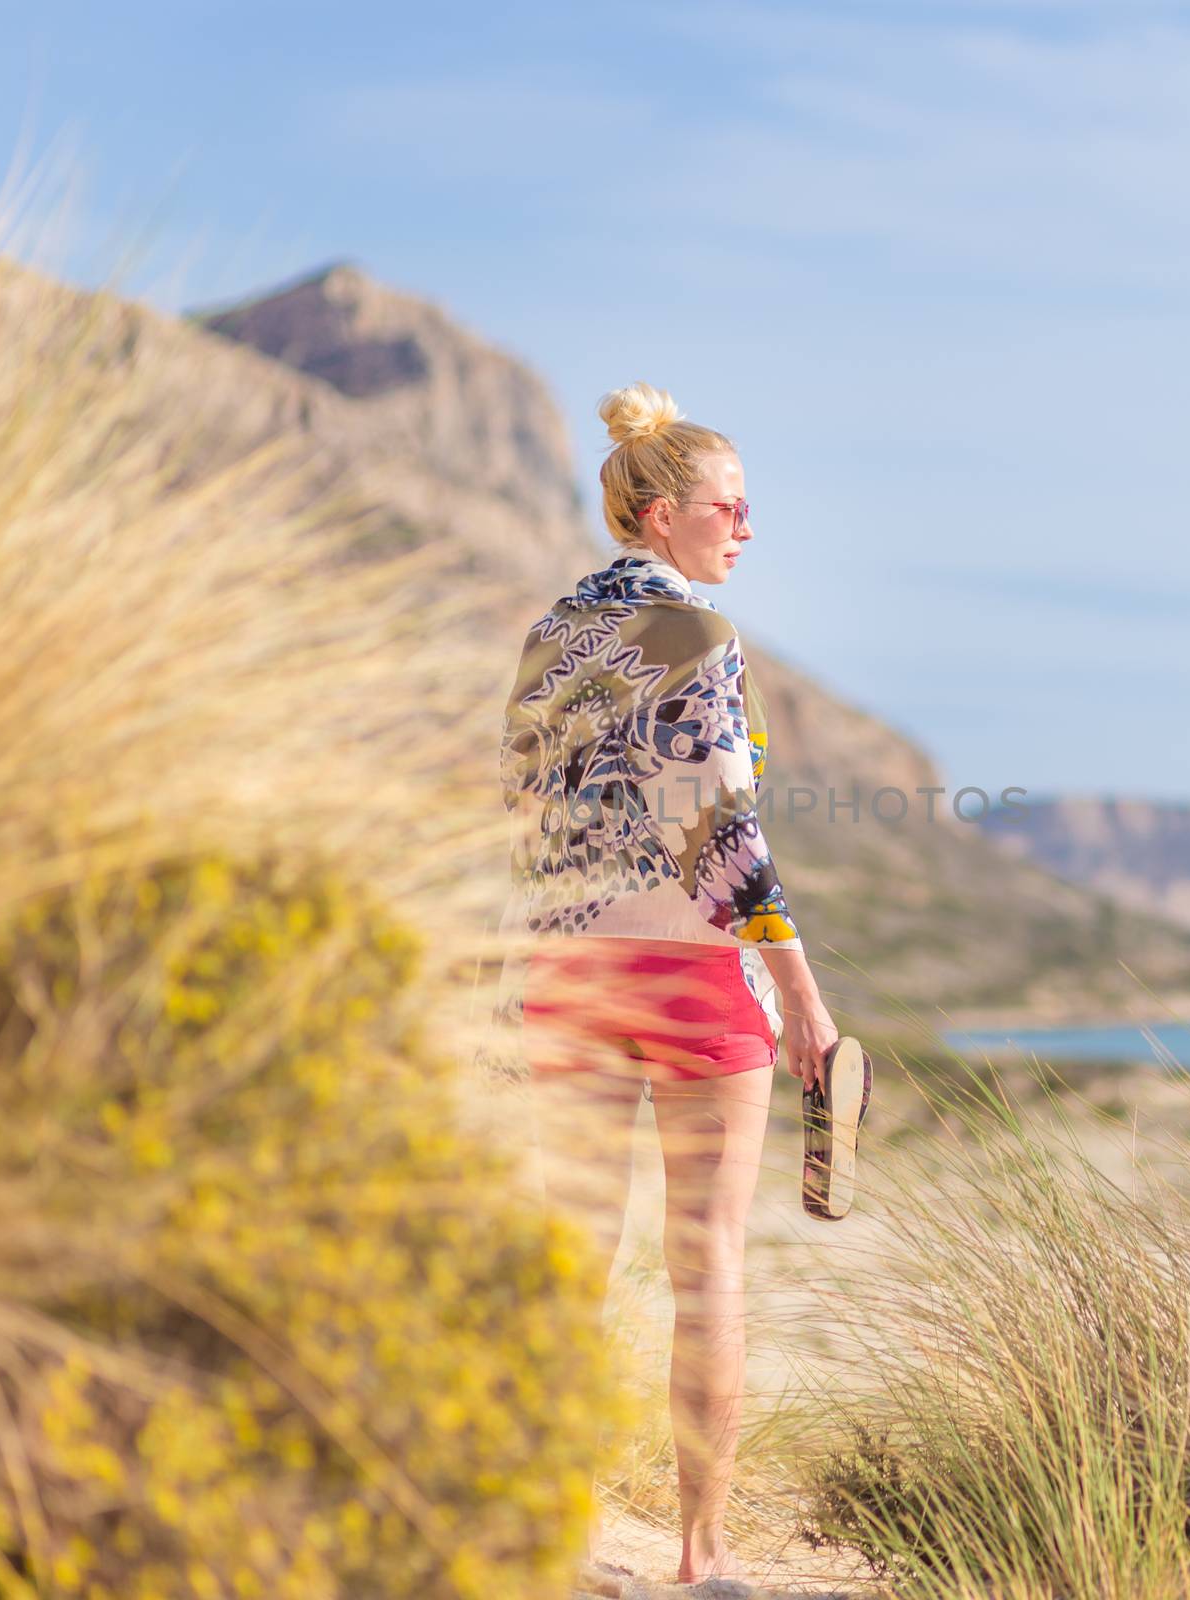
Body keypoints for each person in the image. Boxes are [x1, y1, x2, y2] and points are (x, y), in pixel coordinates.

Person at [493, 380, 840, 1586]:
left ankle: (552, 1536)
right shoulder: (700, 638)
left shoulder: (552, 637)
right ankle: (699, 1558)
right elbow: (722, 835)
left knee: (567, 1261)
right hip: (690, 979)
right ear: (654, 512)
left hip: (568, 974)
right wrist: (799, 991)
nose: (745, 529)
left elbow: (521, 812)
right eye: (726, 508)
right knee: (709, 1268)